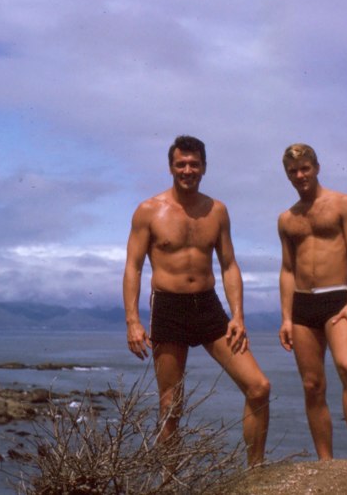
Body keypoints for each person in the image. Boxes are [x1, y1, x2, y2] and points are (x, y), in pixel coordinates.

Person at [123, 135, 270, 466]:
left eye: (194, 164)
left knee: (259, 387)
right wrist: (132, 321)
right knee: (170, 407)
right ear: (171, 167)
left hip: (208, 307)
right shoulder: (149, 211)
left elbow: (229, 265)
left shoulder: (216, 211)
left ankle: (256, 474)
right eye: (181, 164)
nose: (187, 170)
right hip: (169, 309)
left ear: (204, 167)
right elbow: (132, 267)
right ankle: (167, 483)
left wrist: (238, 317)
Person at [277, 143, 347, 460]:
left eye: (305, 168)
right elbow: (288, 269)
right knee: (312, 385)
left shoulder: (343, 204)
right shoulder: (287, 219)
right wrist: (286, 317)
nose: (300, 175)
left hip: (337, 300)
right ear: (287, 175)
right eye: (293, 171)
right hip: (302, 305)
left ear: (317, 167)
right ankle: (326, 462)